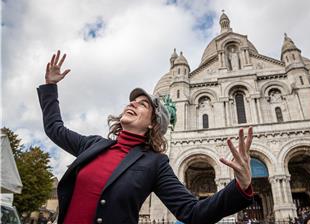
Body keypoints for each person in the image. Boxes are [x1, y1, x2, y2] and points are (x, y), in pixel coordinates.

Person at [37, 50, 254, 224]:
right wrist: (50, 87)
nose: (132, 103)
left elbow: (192, 211)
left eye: (143, 104)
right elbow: (55, 129)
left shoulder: (155, 163)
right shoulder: (94, 145)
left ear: (152, 123)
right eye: (132, 101)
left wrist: (240, 187)